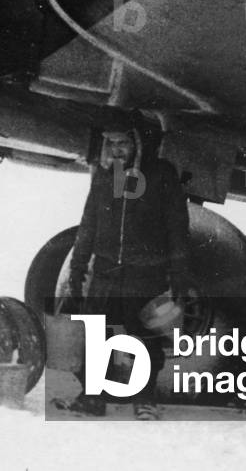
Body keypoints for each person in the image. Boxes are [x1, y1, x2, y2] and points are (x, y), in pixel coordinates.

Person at [62, 116, 191, 420]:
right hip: (106, 272)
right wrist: (77, 268)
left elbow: (177, 227)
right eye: (112, 143)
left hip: (145, 273)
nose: (117, 149)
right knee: (96, 337)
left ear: (138, 143)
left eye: (123, 142)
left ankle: (144, 399)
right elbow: (88, 226)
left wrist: (179, 273)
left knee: (143, 338)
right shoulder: (105, 176)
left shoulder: (161, 174)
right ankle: (92, 397)